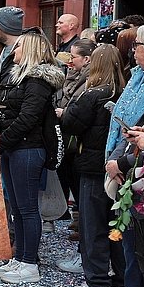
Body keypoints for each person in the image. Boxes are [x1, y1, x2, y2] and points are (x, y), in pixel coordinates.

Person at [0, 31, 64, 284]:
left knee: (27, 209)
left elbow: (28, 118)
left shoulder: (36, 81)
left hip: (27, 148)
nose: (14, 51)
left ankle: (29, 263)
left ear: (30, 49)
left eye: (19, 46)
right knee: (19, 210)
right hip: (15, 147)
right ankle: (20, 258)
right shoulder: (23, 79)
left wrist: (1, 142)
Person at [60, 44, 126, 287]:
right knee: (117, 224)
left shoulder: (94, 94)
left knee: (93, 225)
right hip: (117, 166)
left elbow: (70, 122)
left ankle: (97, 279)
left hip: (92, 166)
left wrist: (67, 110)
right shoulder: (125, 91)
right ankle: (120, 276)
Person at [106, 21, 144, 287]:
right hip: (128, 170)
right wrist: (114, 161)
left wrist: (122, 163)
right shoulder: (137, 77)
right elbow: (127, 126)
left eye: (137, 45)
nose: (132, 51)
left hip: (142, 177)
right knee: (133, 244)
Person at [54, 38, 96, 254]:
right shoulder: (74, 76)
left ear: (87, 59)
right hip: (71, 140)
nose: (70, 61)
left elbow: (77, 108)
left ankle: (84, 239)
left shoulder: (90, 81)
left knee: (80, 188)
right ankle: (79, 226)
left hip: (79, 142)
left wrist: (66, 113)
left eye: (74, 57)